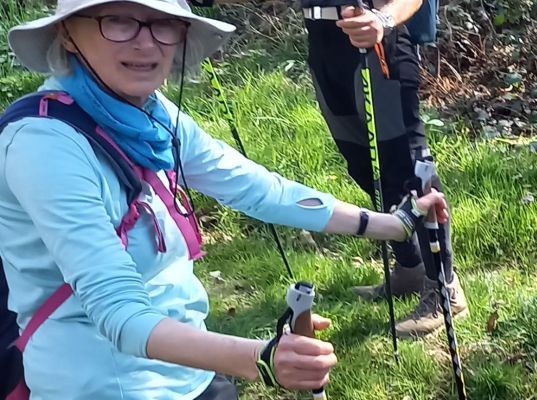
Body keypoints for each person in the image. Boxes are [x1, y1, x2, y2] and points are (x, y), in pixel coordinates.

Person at [0, 0, 448, 398]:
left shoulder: (152, 115)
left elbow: (260, 190)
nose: (146, 44)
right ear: (67, 34)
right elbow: (119, 313)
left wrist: (391, 224)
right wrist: (264, 359)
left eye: (162, 24)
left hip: (191, 369)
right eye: (118, 21)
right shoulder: (43, 144)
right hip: (103, 383)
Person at [191, 0, 465, 337]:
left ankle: (444, 289)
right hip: (323, 43)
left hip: (380, 43)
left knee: (407, 167)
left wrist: (382, 19)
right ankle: (410, 266)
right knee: (363, 166)